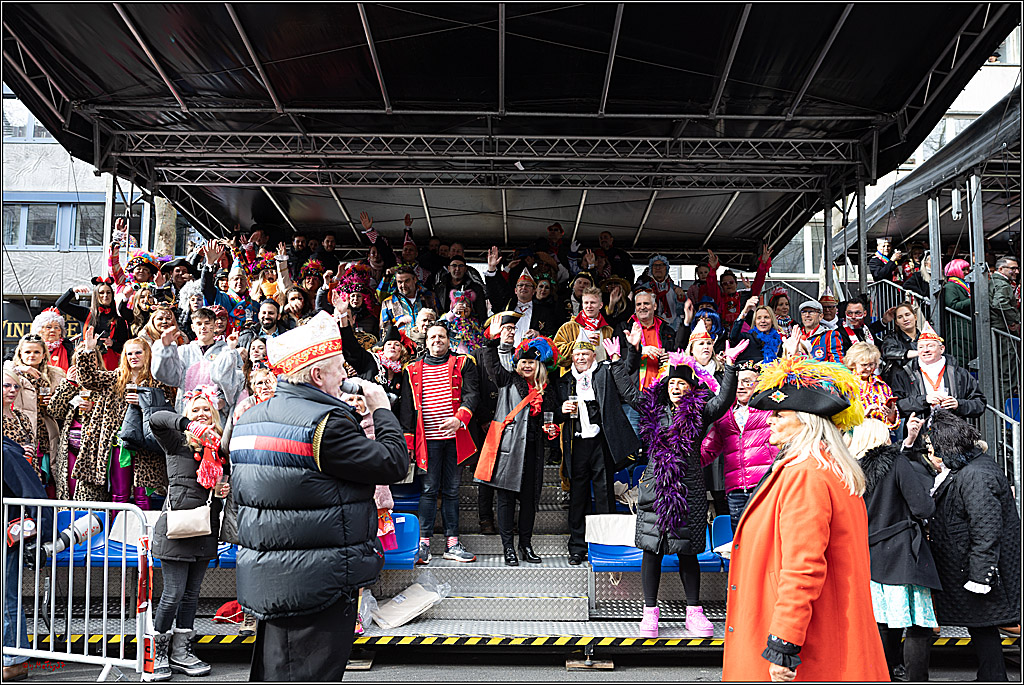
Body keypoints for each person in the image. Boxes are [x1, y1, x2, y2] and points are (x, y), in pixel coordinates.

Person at [227, 311, 408, 681]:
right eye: (339, 367)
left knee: (278, 670)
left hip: (271, 577)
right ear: (317, 375)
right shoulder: (325, 423)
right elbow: (392, 464)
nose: (345, 375)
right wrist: (383, 411)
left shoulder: (250, 419)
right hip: (317, 581)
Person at [722, 355, 888, 681]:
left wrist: (783, 644)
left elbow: (804, 566)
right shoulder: (824, 468)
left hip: (807, 645)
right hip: (827, 632)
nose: (769, 420)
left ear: (806, 421)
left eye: (780, 414)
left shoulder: (806, 474)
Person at [635, 340, 746, 639]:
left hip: (689, 489)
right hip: (657, 487)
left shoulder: (700, 412)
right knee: (652, 551)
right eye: (672, 382)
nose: (676, 387)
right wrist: (623, 358)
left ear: (690, 387)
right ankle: (649, 612)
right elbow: (629, 393)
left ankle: (694, 612)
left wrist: (731, 367)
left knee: (687, 553)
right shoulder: (655, 411)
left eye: (682, 383)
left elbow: (723, 400)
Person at [927, 408, 1021, 681]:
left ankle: (993, 677)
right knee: (982, 625)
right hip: (969, 563)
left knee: (984, 624)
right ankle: (991, 675)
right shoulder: (972, 468)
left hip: (976, 567)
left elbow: (986, 528)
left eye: (935, 447)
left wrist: (980, 575)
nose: (933, 452)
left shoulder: (976, 475)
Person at [148, 388, 230, 680]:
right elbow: (156, 419)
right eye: (195, 410)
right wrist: (188, 425)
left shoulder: (220, 448)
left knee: (192, 596)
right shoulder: (176, 443)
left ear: (215, 414)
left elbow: (222, 487)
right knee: (172, 594)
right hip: (176, 527)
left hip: (205, 529)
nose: (201, 414)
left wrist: (223, 490)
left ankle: (181, 652)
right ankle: (156, 653)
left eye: (206, 410)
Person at [856, 415, 941, 682]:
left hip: (867, 554)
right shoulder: (896, 463)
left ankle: (884, 674)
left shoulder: (849, 468)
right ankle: (915, 678)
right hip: (903, 552)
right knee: (918, 624)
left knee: (880, 622)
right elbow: (923, 507)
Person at [477, 334, 562, 566]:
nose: (526, 365)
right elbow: (492, 365)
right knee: (505, 500)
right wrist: (492, 342)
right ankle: (508, 548)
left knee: (529, 500)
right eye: (523, 361)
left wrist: (552, 427)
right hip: (509, 448)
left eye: (531, 361)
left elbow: (553, 416)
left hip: (534, 451)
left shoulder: (547, 390)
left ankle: (525, 545)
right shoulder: (508, 379)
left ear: (539, 365)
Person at [400, 323, 479, 565]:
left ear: (448, 340)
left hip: (455, 439)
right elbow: (406, 411)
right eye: (433, 336)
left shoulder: (463, 363)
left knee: (453, 491)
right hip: (427, 442)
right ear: (426, 341)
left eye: (441, 336)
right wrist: (409, 445)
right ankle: (423, 544)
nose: (437, 340)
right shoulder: (411, 369)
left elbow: (472, 395)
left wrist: (460, 418)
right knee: (428, 491)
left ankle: (452, 544)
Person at [559, 337, 641, 565]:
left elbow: (627, 370)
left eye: (585, 354)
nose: (581, 358)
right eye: (577, 355)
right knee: (578, 497)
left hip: (601, 442)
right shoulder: (566, 381)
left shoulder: (604, 373)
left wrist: (632, 349)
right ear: (572, 358)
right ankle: (577, 546)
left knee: (604, 494)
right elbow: (554, 411)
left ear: (594, 356)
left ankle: (606, 545)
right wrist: (561, 410)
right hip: (577, 444)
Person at [74, 330, 176, 507]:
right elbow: (88, 379)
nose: (133, 357)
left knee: (143, 495)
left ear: (147, 354)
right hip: (119, 443)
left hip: (146, 444)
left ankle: (142, 534)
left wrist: (144, 400)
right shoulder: (115, 377)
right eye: (129, 353)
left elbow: (169, 407)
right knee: (119, 494)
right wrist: (89, 351)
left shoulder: (158, 380)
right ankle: (117, 533)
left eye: (138, 352)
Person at [701, 361, 776, 531]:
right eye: (738, 382)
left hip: (764, 485)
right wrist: (683, 460)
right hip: (735, 490)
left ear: (758, 384)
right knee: (741, 540)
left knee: (766, 537)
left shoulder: (769, 411)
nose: (741, 386)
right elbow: (708, 450)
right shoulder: (724, 415)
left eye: (748, 381)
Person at [151, 307, 245, 425]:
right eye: (199, 323)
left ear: (215, 326)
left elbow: (237, 383)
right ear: (192, 327)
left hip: (217, 418)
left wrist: (224, 401)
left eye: (207, 323)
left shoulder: (227, 351)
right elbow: (168, 377)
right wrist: (164, 348)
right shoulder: (184, 351)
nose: (203, 327)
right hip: (187, 417)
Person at [891, 322, 985, 420]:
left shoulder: (959, 373)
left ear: (942, 349)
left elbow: (979, 404)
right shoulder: (905, 374)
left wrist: (958, 404)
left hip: (954, 431)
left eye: (930, 346)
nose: (925, 350)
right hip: (919, 432)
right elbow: (896, 407)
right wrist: (924, 400)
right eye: (921, 347)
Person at [10, 334, 66, 483]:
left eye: (36, 352)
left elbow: (65, 408)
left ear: (43, 355)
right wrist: (21, 370)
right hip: (21, 432)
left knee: (49, 476)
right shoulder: (10, 373)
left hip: (47, 433)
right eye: (27, 352)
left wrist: (53, 402)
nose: (32, 355)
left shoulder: (56, 375)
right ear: (20, 354)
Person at [485, 248, 560, 343]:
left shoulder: (544, 311)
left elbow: (553, 334)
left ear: (534, 291)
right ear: (515, 290)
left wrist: (538, 334)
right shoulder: (506, 306)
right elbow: (494, 293)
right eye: (520, 285)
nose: (524, 287)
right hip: (506, 353)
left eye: (528, 285)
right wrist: (491, 269)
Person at [57, 277, 133, 369]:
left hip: (109, 363)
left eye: (108, 292)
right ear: (96, 295)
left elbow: (125, 345)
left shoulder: (119, 319)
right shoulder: (85, 313)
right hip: (86, 359)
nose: (105, 295)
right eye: (101, 293)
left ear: (112, 295)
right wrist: (73, 290)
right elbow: (60, 304)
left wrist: (112, 344)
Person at [706, 246, 771, 330]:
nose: (728, 285)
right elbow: (711, 285)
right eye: (725, 284)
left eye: (731, 282)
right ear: (721, 286)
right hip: (723, 334)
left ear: (736, 284)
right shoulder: (718, 299)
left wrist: (763, 264)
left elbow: (758, 284)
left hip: (743, 334)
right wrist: (713, 269)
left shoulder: (744, 296)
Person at [553, 287, 617, 366]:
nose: (589, 306)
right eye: (586, 303)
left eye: (593, 303)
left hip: (602, 376)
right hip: (574, 377)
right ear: (582, 305)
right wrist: (580, 343)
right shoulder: (568, 327)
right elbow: (556, 355)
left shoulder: (608, 330)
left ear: (601, 305)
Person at [844, 342, 899, 430]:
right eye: (864, 365)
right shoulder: (845, 385)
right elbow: (840, 421)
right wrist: (864, 414)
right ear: (853, 364)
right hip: (855, 439)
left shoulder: (882, 386)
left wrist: (891, 416)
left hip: (880, 437)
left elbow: (894, 424)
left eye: (871, 364)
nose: (869, 368)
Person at [380, 266, 437, 338]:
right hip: (402, 346)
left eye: (407, 281)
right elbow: (384, 332)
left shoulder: (429, 297)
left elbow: (439, 321)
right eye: (400, 282)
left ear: (415, 279)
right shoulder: (388, 302)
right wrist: (397, 326)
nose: (403, 285)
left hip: (427, 342)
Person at [635, 254, 687, 329]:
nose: (658, 268)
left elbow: (682, 311)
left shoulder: (675, 289)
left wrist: (680, 299)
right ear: (651, 269)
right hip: (651, 328)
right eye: (655, 265)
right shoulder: (644, 289)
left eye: (661, 265)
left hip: (673, 328)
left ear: (667, 268)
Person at [730, 296, 783, 365]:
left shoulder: (777, 342)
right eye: (759, 318)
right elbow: (733, 337)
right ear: (755, 322)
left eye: (766, 317)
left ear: (772, 320)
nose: (763, 321)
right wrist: (745, 311)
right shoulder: (747, 338)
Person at [880, 301, 922, 386]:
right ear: (896, 322)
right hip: (900, 383)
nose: (905, 319)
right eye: (900, 317)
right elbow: (887, 352)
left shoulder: (925, 337)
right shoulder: (891, 338)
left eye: (907, 315)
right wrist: (910, 353)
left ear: (915, 317)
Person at [434, 255, 487, 321]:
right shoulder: (439, 288)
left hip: (469, 326)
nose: (457, 269)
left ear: (465, 269)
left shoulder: (475, 288)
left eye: (461, 266)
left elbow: (481, 313)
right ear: (449, 268)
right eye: (454, 266)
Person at [942, 257, 974, 368]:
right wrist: (973, 300)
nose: (967, 272)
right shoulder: (950, 286)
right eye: (964, 269)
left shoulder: (963, 285)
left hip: (964, 327)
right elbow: (952, 305)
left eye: (967, 269)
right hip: (957, 328)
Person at [30, 307, 75, 372]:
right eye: (48, 327)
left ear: (60, 332)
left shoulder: (68, 348)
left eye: (56, 327)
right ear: (39, 331)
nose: (53, 330)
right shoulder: (30, 345)